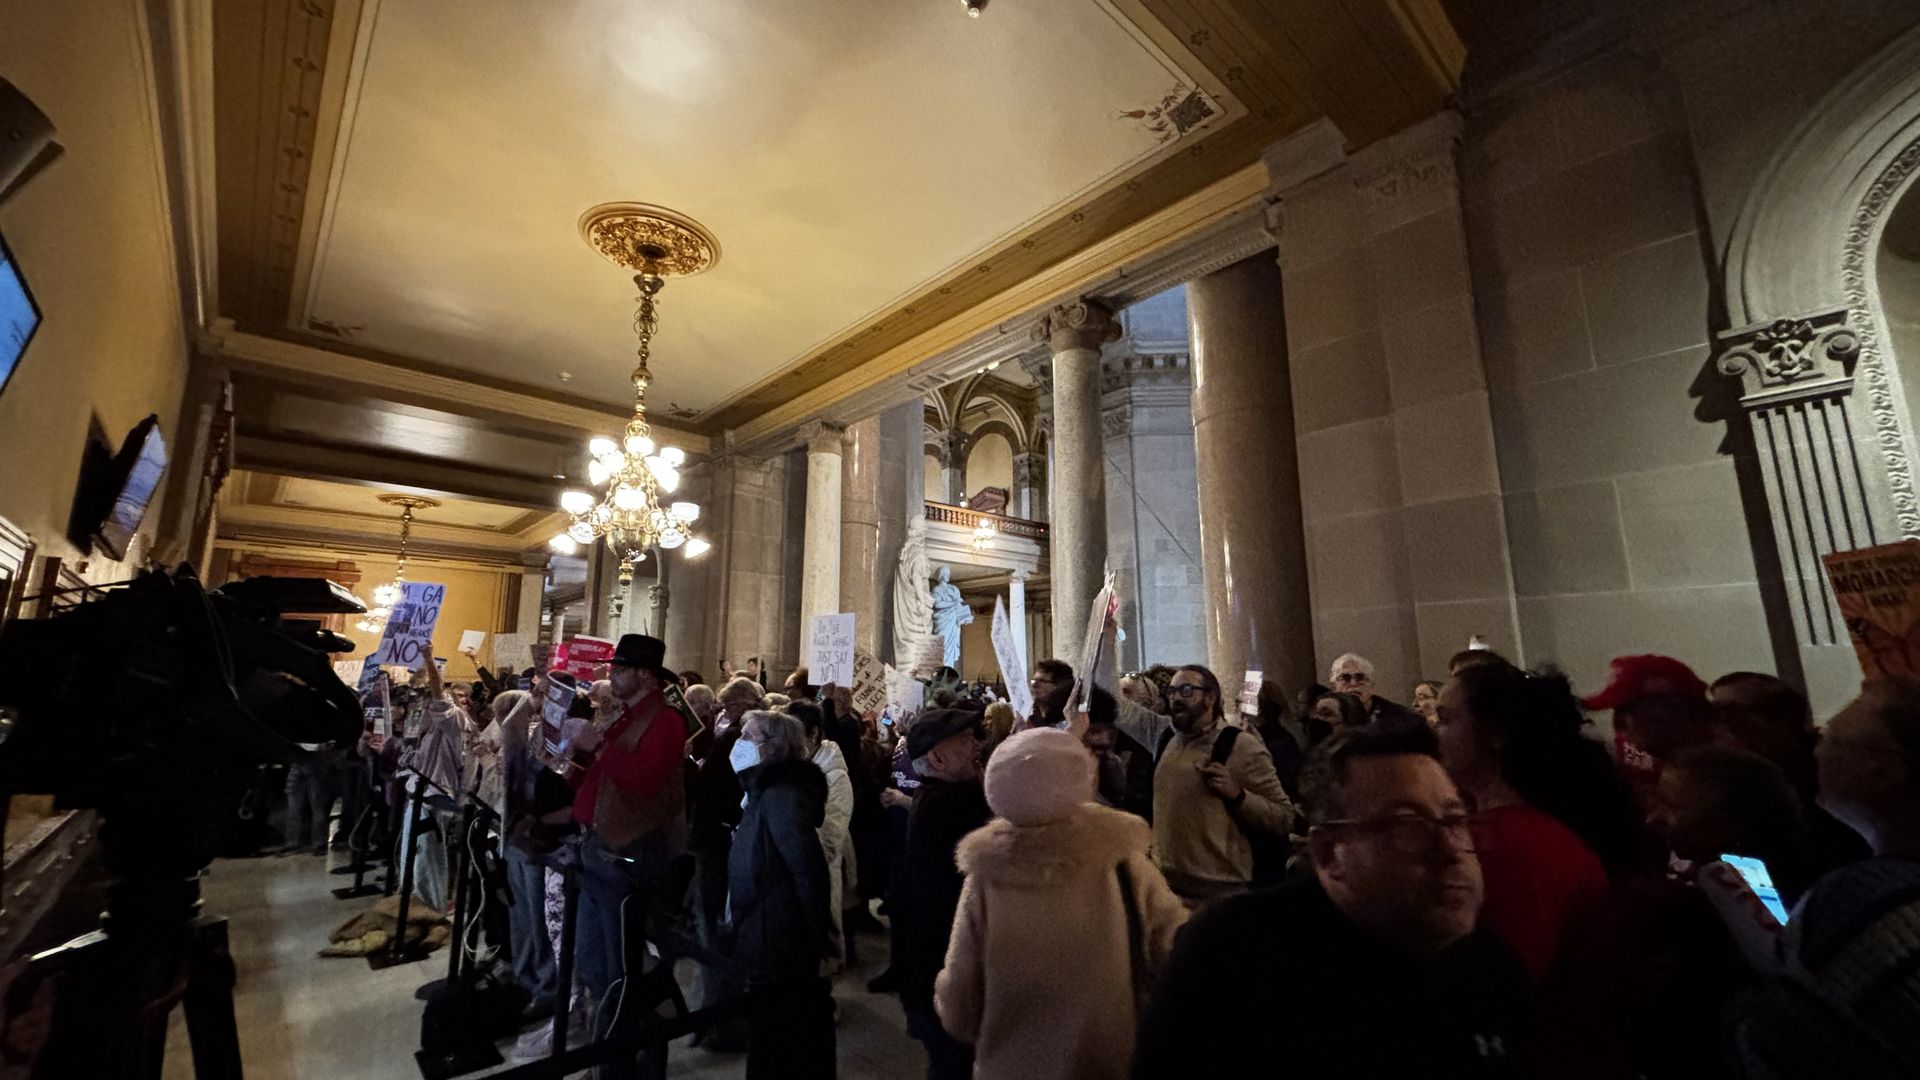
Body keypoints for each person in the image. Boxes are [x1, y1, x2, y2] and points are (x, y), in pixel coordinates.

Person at [1132, 724, 1533, 1078]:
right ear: (1327, 852)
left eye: (1454, 820)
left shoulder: (1489, 965)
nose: (1449, 850)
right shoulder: (1235, 958)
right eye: (1407, 824)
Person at [935, 729, 1188, 1080]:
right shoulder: (1122, 862)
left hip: (1012, 1067)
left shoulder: (986, 876)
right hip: (1109, 1061)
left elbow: (960, 1001)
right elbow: (1176, 956)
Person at [1729, 678, 1920, 1077]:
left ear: (1883, 771)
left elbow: (1777, 1046)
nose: (1816, 746)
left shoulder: (1859, 900)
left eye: (1831, 735)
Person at [1433, 663, 1625, 980]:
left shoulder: (1501, 847)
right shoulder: (1533, 827)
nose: (1432, 731)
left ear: (1496, 733)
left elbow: (1503, 981)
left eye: (1444, 719)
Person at [565, 634, 687, 1044]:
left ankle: (626, 1048)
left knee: (619, 958)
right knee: (593, 954)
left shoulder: (666, 722)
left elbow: (644, 783)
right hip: (598, 845)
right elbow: (601, 782)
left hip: (627, 852)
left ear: (645, 676)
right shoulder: (623, 718)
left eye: (620, 669)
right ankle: (607, 1039)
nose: (611, 675)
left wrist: (597, 744)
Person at [1108, 665, 1294, 902]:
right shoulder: (1165, 736)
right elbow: (1117, 707)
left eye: (1186, 690)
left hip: (1220, 892)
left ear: (1210, 697)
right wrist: (1106, 641)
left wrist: (1237, 795)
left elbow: (1284, 817)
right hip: (1168, 886)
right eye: (1172, 691)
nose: (1176, 698)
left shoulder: (1240, 746)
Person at [725, 709, 835, 1079]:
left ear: (773, 747)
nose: (739, 742)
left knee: (777, 1028)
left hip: (778, 929)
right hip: (763, 923)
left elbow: (806, 867)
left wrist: (818, 931)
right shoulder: (762, 790)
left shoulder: (782, 795)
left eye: (749, 736)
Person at [1646, 745, 1811, 969]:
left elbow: (1782, 967)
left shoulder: (1741, 885)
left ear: (1729, 822)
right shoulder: (1688, 855)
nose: (1652, 818)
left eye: (1673, 807)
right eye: (1657, 801)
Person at [894, 706, 993, 1080]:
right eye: (965, 741)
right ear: (937, 757)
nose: (976, 746)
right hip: (945, 964)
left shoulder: (941, 796)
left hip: (931, 968)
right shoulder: (953, 804)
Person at [1710, 671, 1869, 871]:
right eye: (1716, 713)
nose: (1721, 722)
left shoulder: (1834, 767)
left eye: (1730, 711)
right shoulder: (1740, 778)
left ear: (1780, 718)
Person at [791, 702, 856, 975]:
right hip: (796, 871)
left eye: (793, 735)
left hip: (819, 870)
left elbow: (831, 836)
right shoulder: (796, 766)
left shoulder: (835, 776)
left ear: (813, 734)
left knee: (821, 948)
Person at [1328, 652, 1424, 732]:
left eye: (1360, 678)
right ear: (1334, 687)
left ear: (1371, 685)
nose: (1353, 683)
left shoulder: (1399, 717)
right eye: (1345, 678)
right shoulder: (1325, 717)